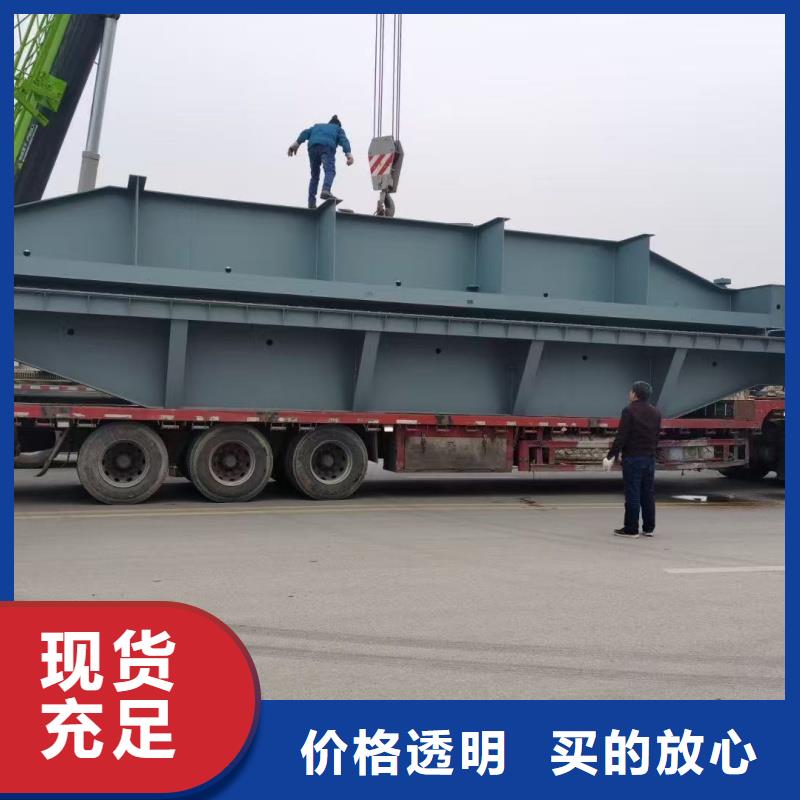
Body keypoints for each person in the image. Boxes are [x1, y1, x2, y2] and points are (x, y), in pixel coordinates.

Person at [602, 380, 662, 539]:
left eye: (631, 391)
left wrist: (610, 456)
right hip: (649, 458)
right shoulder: (656, 412)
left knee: (633, 493)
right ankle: (649, 528)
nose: (629, 393)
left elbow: (622, 436)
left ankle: (631, 529)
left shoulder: (629, 410)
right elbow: (656, 436)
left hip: (633, 458)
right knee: (648, 493)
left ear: (635, 394)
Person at [288, 115, 354, 209]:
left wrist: (295, 145)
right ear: (338, 125)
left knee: (314, 176)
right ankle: (326, 190)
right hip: (326, 147)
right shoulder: (338, 129)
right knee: (330, 170)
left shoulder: (317, 126)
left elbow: (305, 133)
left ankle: (311, 203)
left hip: (312, 147)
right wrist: (348, 155)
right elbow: (344, 141)